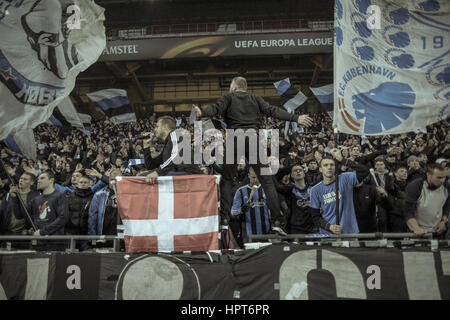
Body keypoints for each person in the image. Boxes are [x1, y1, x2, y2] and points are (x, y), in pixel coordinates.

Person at [193, 76, 313, 235]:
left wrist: (202, 112)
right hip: (254, 140)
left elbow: (216, 108)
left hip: (234, 139)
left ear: (234, 87)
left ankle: (224, 220)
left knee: (227, 179)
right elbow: (273, 110)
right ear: (245, 87)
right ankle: (277, 220)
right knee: (267, 180)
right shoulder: (255, 98)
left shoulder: (229, 97)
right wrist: (296, 118)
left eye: (230, 86)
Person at [309, 149, 369, 235]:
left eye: (332, 165)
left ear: (335, 167)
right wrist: (330, 227)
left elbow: (365, 171)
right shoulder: (315, 190)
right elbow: (315, 217)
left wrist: (342, 160)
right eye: (325, 165)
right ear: (320, 169)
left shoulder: (345, 178)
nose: (329, 167)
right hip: (328, 235)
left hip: (350, 232)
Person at [143, 115, 203, 184]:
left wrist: (158, 172)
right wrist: (146, 147)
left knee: (144, 177)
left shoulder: (175, 133)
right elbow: (150, 166)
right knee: (142, 176)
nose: (154, 129)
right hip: (179, 175)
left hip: (189, 175)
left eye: (157, 126)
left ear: (165, 127)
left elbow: (175, 157)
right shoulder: (167, 146)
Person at [24, 170, 70, 251]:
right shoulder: (36, 199)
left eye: (42, 178)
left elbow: (63, 218)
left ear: (51, 180)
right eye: (38, 179)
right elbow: (21, 214)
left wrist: (42, 232)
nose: (38, 181)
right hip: (37, 242)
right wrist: (14, 198)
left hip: (54, 243)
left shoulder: (60, 196)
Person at [404, 163, 449, 238]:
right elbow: (408, 211)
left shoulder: (446, 186)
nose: (442, 180)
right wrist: (416, 227)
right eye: (439, 177)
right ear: (428, 174)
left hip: (437, 230)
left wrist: (443, 221)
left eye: (444, 177)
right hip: (418, 231)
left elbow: (447, 206)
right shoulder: (415, 186)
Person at [231, 167, 271, 247]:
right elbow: (233, 212)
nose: (256, 180)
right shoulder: (241, 191)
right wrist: (241, 209)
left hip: (267, 233)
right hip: (248, 234)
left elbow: (273, 210)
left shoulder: (266, 190)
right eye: (253, 177)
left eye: (257, 177)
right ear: (248, 175)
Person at [276, 164, 315, 234]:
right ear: (291, 175)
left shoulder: (313, 189)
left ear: (304, 174)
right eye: (295, 171)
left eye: (300, 170)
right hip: (296, 229)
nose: (298, 171)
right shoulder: (288, 190)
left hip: (312, 228)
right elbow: (276, 185)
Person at [0, 172, 39, 237]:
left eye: (25, 179)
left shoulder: (36, 196)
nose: (21, 180)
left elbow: (36, 214)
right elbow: (2, 211)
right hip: (8, 231)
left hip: (25, 233)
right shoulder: (8, 194)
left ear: (32, 182)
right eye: (21, 178)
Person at [66, 174, 94, 251]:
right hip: (71, 232)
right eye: (81, 182)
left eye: (85, 182)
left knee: (87, 256)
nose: (83, 184)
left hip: (86, 233)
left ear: (89, 184)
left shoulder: (94, 196)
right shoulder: (70, 196)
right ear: (77, 184)